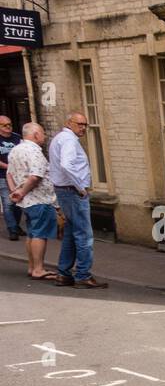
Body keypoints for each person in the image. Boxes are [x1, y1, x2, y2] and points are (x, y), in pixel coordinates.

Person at [49, 111, 104, 289]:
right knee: (84, 236)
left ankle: (64, 274)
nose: (83, 128)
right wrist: (80, 187)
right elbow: (66, 165)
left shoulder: (59, 138)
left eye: (85, 125)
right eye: (79, 124)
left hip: (64, 191)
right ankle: (82, 275)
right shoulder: (69, 141)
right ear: (68, 123)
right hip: (72, 192)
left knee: (71, 235)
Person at [7, 123, 65, 284]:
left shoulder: (15, 150)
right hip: (39, 199)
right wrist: (22, 192)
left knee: (32, 233)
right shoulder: (34, 151)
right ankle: (38, 269)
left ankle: (32, 267)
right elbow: (35, 176)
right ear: (36, 135)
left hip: (27, 201)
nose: (44, 136)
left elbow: (9, 174)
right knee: (39, 234)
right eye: (42, 133)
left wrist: (15, 192)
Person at [0, 115, 23, 241]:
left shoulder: (17, 137)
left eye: (10, 124)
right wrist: (8, 167)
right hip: (2, 176)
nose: (8, 127)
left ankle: (16, 225)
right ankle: (12, 230)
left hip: (17, 176)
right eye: (5, 125)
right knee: (8, 203)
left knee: (18, 203)